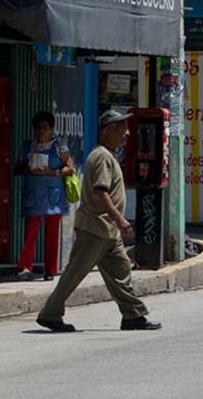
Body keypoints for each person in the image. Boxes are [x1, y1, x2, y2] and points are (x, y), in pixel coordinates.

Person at [37, 108, 161, 334]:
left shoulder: (106, 154)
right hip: (97, 227)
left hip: (107, 230)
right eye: (122, 129)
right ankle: (50, 314)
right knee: (75, 272)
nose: (127, 134)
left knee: (121, 269)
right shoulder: (102, 156)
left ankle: (133, 315)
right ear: (108, 131)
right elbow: (100, 191)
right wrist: (120, 219)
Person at [15, 111, 76, 279]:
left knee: (52, 233)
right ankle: (25, 266)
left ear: (51, 129)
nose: (40, 132)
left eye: (44, 128)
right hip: (33, 192)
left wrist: (52, 172)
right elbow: (17, 168)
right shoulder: (28, 146)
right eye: (37, 128)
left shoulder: (59, 146)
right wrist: (28, 169)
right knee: (31, 231)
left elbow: (70, 168)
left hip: (52, 194)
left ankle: (50, 269)